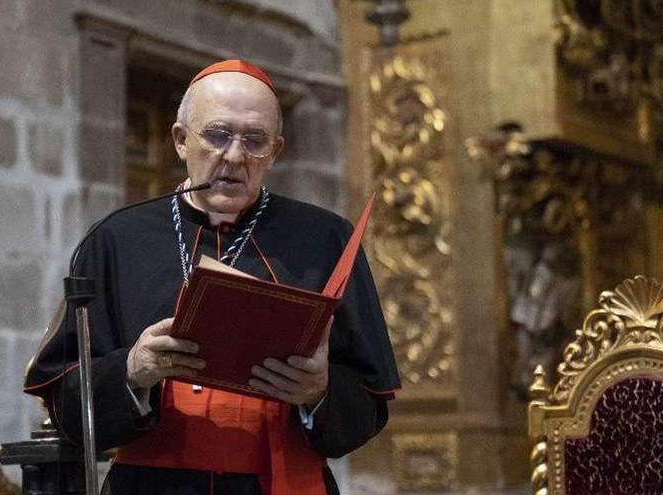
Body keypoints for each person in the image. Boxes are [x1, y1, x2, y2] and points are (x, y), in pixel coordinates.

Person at [23, 60, 400, 495]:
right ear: (181, 140)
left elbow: (372, 400)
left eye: (254, 140)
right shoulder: (116, 239)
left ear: (274, 151)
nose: (235, 155)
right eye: (218, 135)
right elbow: (63, 395)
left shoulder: (326, 237)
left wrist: (319, 392)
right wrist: (131, 371)